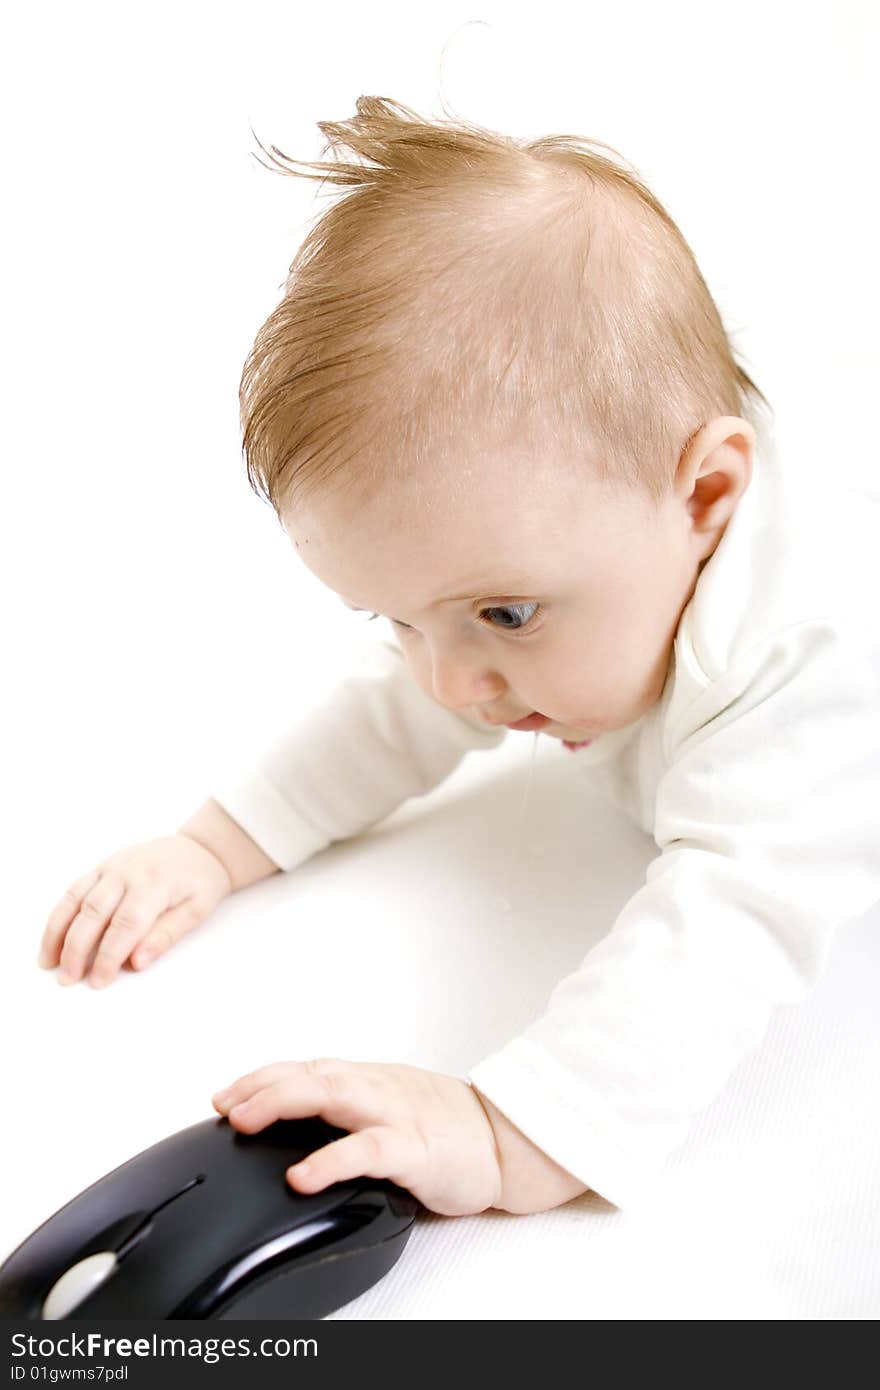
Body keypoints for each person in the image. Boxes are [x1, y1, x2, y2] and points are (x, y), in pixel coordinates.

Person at [36, 96, 880, 1216]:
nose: (447, 682)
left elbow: (726, 921)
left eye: (506, 616)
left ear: (708, 497)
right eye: (395, 620)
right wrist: (214, 846)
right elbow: (404, 710)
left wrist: (507, 1130)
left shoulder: (804, 665)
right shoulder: (558, 565)